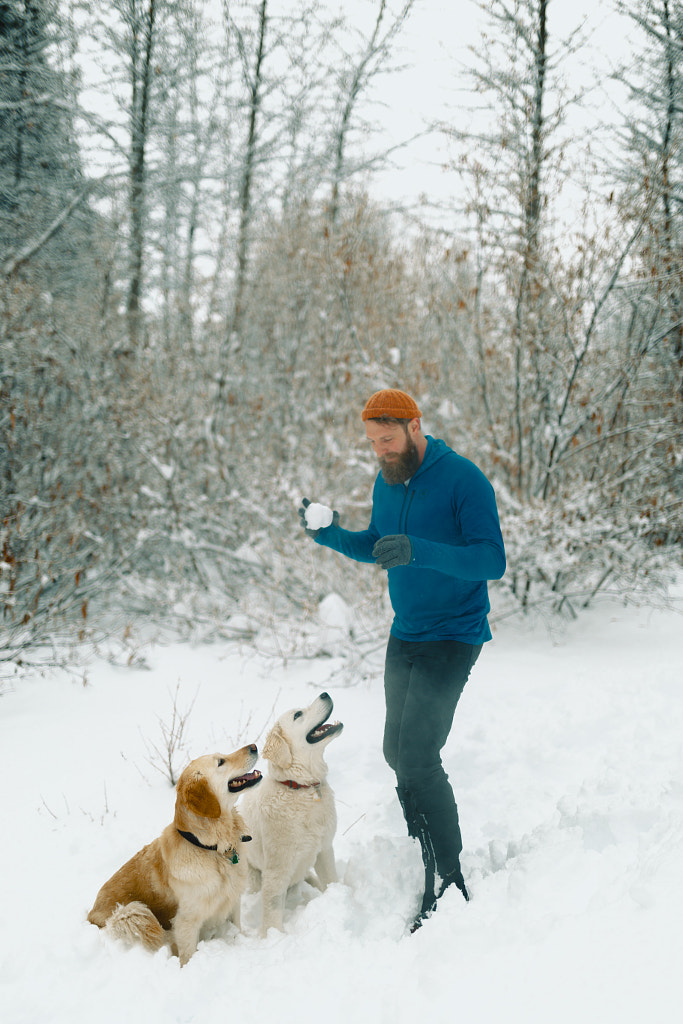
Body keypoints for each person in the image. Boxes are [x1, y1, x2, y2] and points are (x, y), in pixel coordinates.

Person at [298, 388, 506, 931]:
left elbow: (491, 559)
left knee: (418, 753)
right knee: (395, 751)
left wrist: (422, 549)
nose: (381, 451)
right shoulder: (386, 479)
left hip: (454, 635)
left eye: (388, 439)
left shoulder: (463, 479)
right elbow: (379, 544)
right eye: (371, 442)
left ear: (416, 426)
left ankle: (449, 878)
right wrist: (330, 537)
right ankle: (424, 845)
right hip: (405, 632)